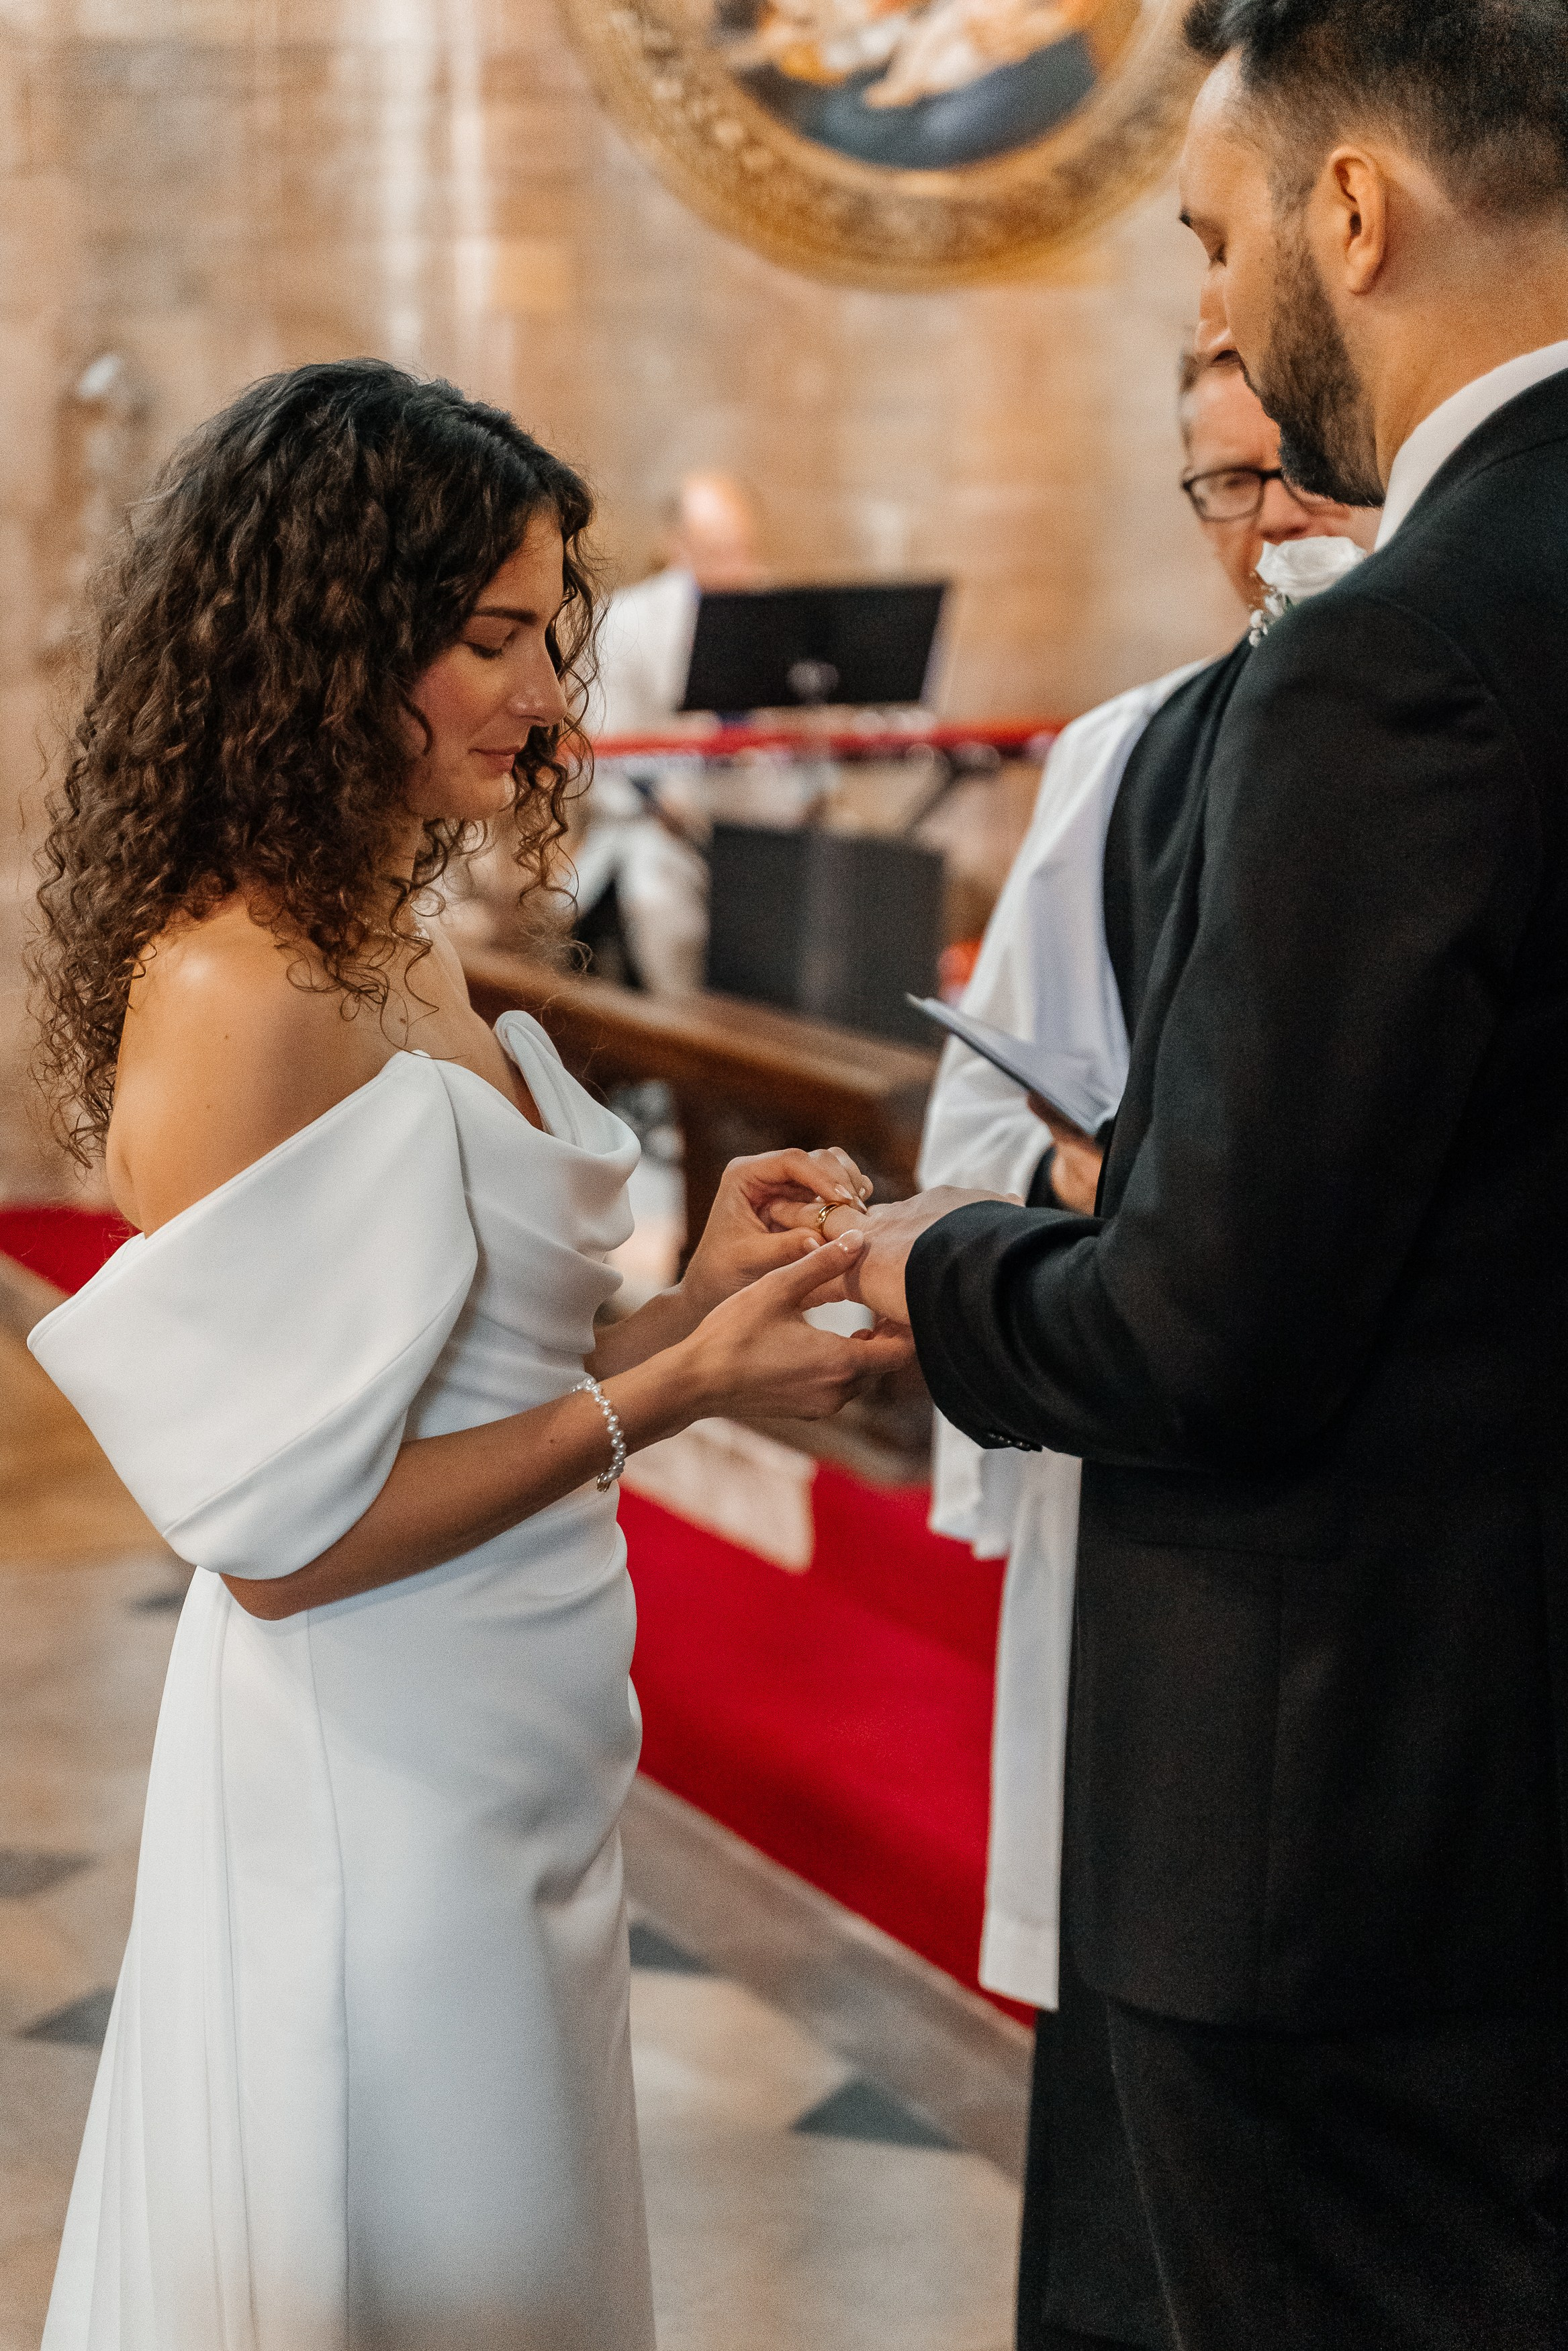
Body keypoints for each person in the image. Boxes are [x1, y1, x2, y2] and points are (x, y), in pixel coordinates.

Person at [790, 1, 1568, 2340]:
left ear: (1354, 209)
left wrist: (948, 1263)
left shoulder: (1392, 656)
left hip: (1336, 1839)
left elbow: (1206, 1331)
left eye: (1215, 239)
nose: (1213, 311)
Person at [25, 361, 909, 2351]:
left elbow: (466, 1367)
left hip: (510, 1744)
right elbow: (279, 1538)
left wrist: (695, 1292)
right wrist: (664, 1391)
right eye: (490, 635)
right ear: (333, 638)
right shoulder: (238, 987)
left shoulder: (391, 929)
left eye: (545, 633)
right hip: (372, 1782)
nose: (543, 689)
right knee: (419, 2250)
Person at [919, 345, 1377, 2351]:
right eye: (1221, 488)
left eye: (1303, 475)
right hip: (1180, 1574)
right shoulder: (1126, 756)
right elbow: (967, 1145)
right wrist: (1111, 1183)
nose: (1269, 525)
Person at [573, 472, 767, 992]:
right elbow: (602, 742)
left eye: (737, 548)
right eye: (712, 548)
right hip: (657, 827)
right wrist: (662, 803)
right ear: (675, 544)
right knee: (658, 902)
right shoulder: (625, 621)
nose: (729, 564)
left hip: (754, 823)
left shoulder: (768, 615)